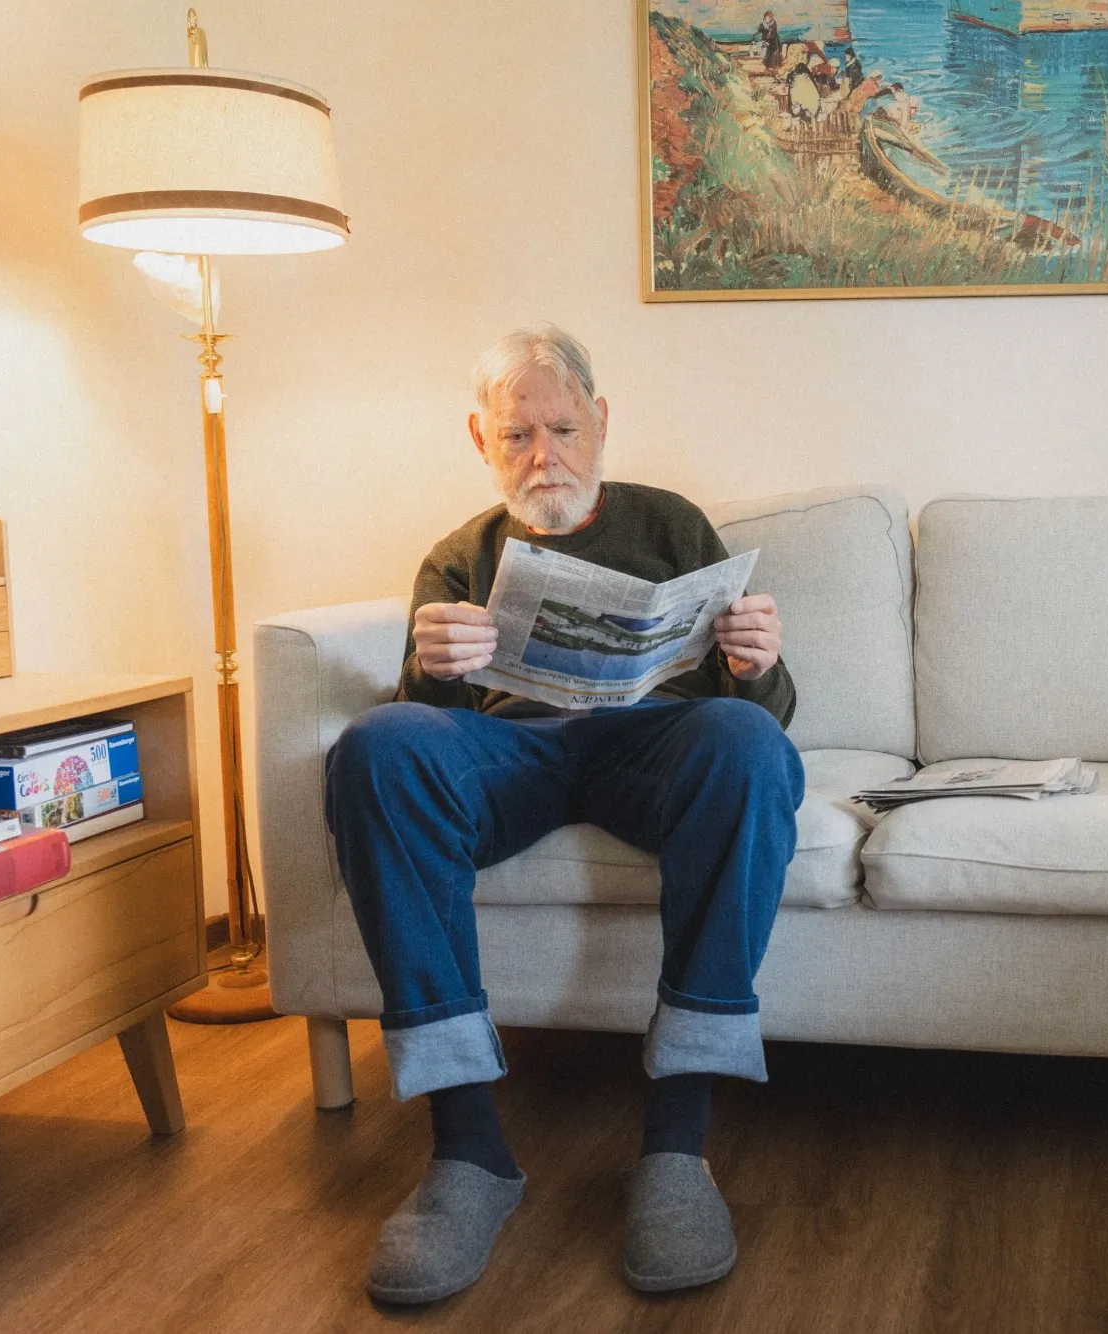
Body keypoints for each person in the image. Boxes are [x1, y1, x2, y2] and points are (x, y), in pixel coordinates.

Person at [327, 323, 802, 1305]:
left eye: (561, 428)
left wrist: (758, 662)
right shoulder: (459, 556)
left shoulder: (670, 523)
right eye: (516, 436)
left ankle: (677, 1145)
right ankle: (468, 1149)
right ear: (480, 439)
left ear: (599, 421)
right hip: (517, 753)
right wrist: (429, 669)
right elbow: (432, 735)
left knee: (749, 746)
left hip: (648, 745)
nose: (543, 456)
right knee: (376, 743)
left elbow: (751, 715)